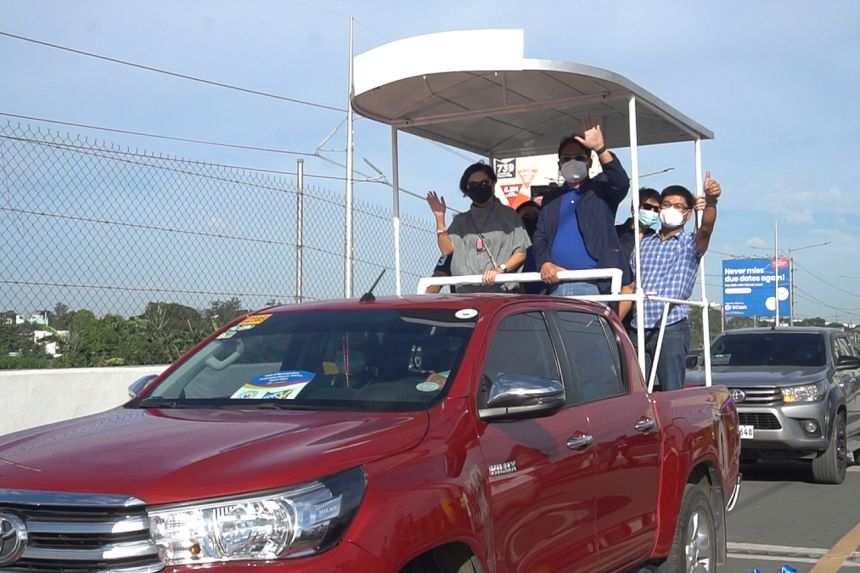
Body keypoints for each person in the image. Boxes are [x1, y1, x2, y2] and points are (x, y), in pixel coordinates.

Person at [620, 173, 722, 391]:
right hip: (638, 327)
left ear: (687, 214)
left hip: (670, 326)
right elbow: (630, 287)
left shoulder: (689, 244)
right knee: (635, 391)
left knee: (671, 390)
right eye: (666, 204)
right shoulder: (643, 245)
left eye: (678, 206)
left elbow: (706, 229)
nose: (670, 209)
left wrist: (711, 202)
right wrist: (614, 322)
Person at [532, 123, 631, 296]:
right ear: (560, 163)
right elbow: (540, 237)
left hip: (594, 285)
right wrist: (544, 262)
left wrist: (600, 149)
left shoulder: (601, 189)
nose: (572, 162)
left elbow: (620, 182)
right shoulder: (551, 198)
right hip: (556, 285)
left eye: (579, 157)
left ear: (589, 162)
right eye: (566, 158)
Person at [426, 163, 529, 293]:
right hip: (466, 295)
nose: (479, 188)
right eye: (473, 185)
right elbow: (446, 250)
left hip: (501, 294)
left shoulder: (509, 215)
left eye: (484, 183)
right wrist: (440, 217)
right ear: (466, 189)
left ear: (493, 183)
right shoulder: (460, 221)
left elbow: (520, 253)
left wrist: (500, 270)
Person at [515, 200, 545, 294]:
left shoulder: (548, 245)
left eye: (535, 216)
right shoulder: (514, 247)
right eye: (526, 217)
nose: (531, 219)